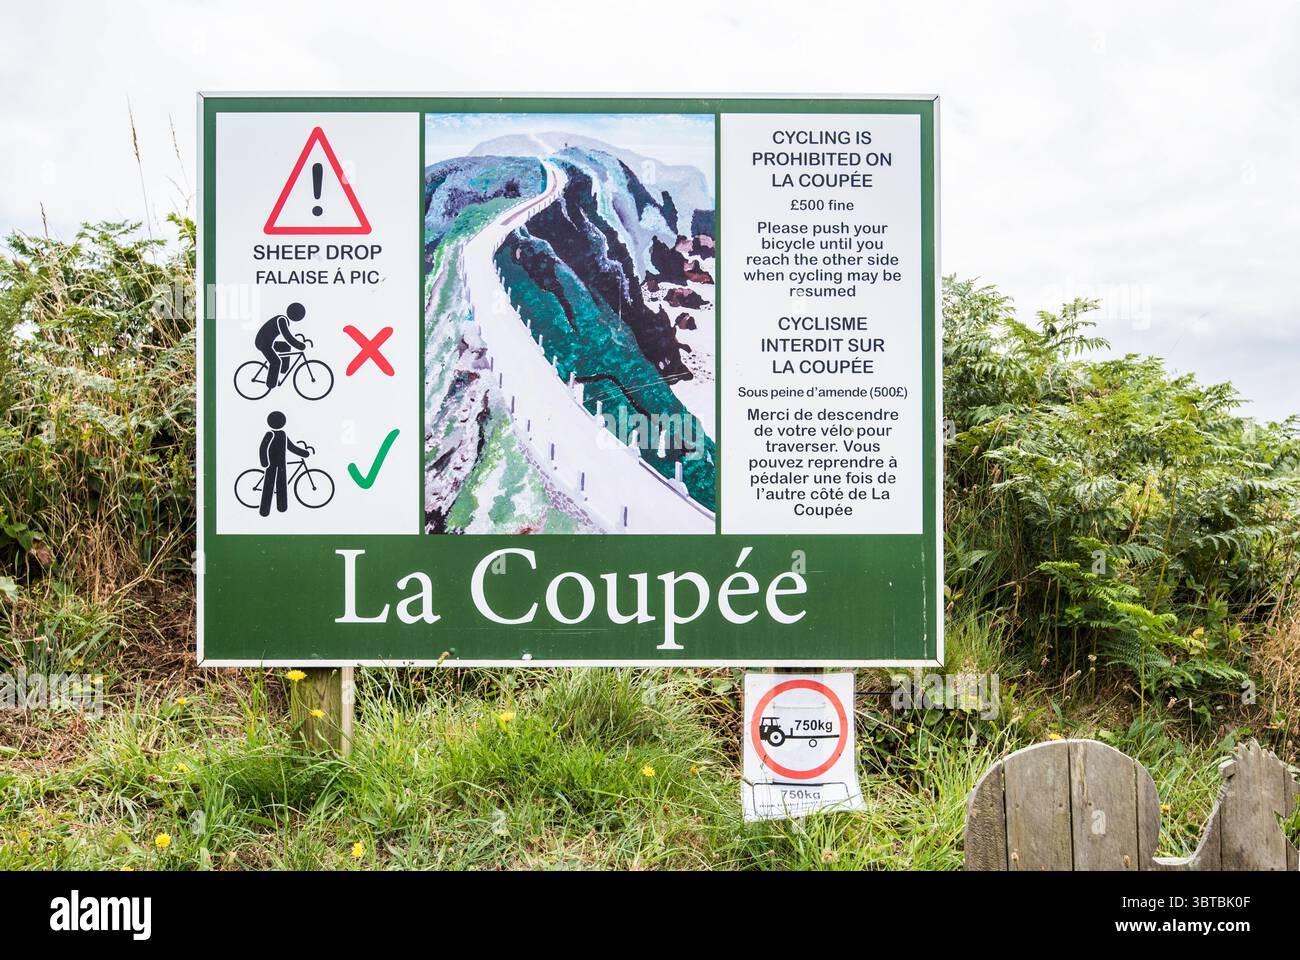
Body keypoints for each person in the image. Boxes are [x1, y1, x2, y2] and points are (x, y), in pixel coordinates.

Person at [259, 411, 313, 516]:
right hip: (271, 464)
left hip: (281, 464)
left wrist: (304, 453)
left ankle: (282, 507)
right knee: (268, 485)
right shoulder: (270, 434)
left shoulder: (282, 434)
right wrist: (264, 462)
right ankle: (264, 510)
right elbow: (263, 448)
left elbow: (291, 447)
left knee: (282, 483)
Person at [254, 302, 310, 389]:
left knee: (286, 346)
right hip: (263, 343)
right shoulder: (281, 320)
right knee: (276, 362)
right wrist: (299, 345)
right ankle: (271, 384)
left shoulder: (283, 320)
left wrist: (297, 343)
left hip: (268, 342)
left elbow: (288, 337)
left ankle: (283, 370)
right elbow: (287, 336)